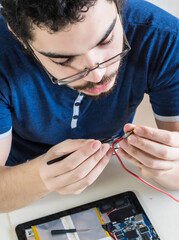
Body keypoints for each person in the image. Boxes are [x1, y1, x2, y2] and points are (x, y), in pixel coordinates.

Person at [0, 0, 178, 212]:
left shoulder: (164, 36)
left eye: (106, 40)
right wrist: (40, 178)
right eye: (64, 60)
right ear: (19, 36)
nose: (97, 74)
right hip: (18, 176)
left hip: (113, 169)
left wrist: (167, 167)